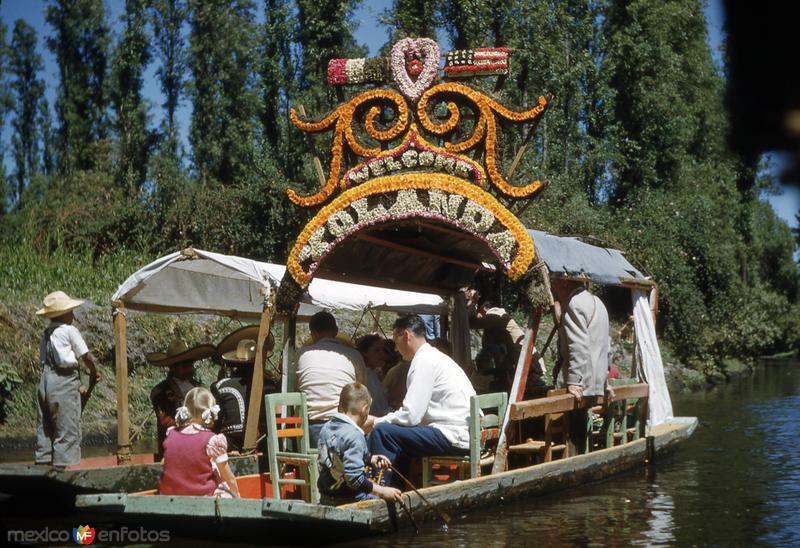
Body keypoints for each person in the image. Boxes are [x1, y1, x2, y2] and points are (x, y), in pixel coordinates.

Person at [366, 315, 476, 480]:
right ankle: (397, 486)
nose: (395, 349)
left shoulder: (423, 361)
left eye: (396, 343)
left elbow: (412, 416)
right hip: (462, 433)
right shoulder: (435, 357)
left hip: (452, 435)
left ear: (406, 336)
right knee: (394, 431)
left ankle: (380, 489)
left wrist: (376, 421)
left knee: (382, 432)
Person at [35, 291, 100, 468]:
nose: (73, 314)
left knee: (46, 425)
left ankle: (44, 461)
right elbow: (84, 356)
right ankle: (64, 471)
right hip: (64, 380)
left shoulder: (46, 333)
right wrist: (93, 371)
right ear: (63, 314)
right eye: (70, 311)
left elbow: (44, 361)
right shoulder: (69, 330)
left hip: (45, 381)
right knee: (67, 426)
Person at [317, 383, 402, 503]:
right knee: (388, 501)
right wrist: (383, 491)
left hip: (326, 496)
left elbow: (341, 454)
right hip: (349, 498)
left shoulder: (326, 428)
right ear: (364, 409)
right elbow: (355, 480)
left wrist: (370, 459)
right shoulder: (355, 435)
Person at [551, 278, 610, 451]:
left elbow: (577, 345)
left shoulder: (574, 303)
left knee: (572, 430)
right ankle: (581, 457)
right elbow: (606, 345)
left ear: (564, 283)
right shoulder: (598, 302)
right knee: (580, 427)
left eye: (554, 283)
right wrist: (605, 380)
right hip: (595, 379)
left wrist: (574, 381)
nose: (553, 288)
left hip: (581, 382)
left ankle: (571, 462)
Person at [296, 311, 367, 446]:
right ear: (335, 331)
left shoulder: (302, 354)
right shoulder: (354, 355)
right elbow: (362, 390)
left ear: (313, 333)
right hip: (345, 427)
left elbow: (295, 388)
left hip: (311, 429)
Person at [158, 387, 240, 498]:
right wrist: (237, 496)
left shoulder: (171, 434)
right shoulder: (212, 440)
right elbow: (229, 477)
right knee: (225, 488)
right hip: (201, 497)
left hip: (169, 495)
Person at [147, 340, 214, 460]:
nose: (189, 368)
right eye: (184, 365)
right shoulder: (160, 391)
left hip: (202, 447)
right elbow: (166, 422)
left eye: (189, 364)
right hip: (175, 449)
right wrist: (192, 428)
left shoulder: (199, 387)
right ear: (173, 367)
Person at [466, 290, 527, 391]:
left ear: (485, 308)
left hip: (521, 362)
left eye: (479, 311)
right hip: (516, 360)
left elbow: (472, 322)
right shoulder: (499, 317)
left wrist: (472, 302)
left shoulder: (495, 316)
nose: (478, 314)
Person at [355, 335, 392, 416]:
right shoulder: (363, 376)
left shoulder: (373, 374)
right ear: (365, 353)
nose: (382, 355)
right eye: (377, 350)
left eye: (383, 350)